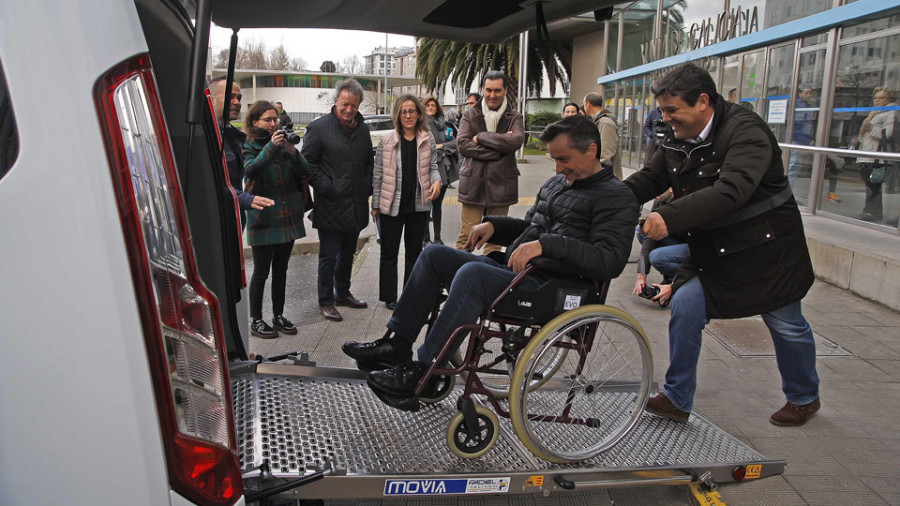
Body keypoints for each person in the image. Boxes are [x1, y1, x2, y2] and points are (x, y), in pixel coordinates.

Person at [341, 115, 639, 406]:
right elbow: (532, 230)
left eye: (564, 159)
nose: (558, 168)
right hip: (523, 273)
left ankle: (426, 371)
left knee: (472, 275)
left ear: (591, 151)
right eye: (555, 160)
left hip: (556, 288)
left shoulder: (617, 197)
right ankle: (397, 345)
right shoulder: (556, 185)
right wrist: (495, 225)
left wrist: (546, 246)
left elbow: (608, 260)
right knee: (434, 254)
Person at [625, 63, 820, 427]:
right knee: (684, 306)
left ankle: (804, 397)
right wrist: (608, 199)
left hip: (768, 251)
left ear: (702, 102)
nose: (666, 119)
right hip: (715, 251)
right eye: (662, 111)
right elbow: (652, 176)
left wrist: (669, 217)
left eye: (672, 111)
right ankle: (676, 398)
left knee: (786, 324)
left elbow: (732, 191)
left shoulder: (747, 132)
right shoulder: (676, 136)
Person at [301, 79, 374, 322]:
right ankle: (326, 301)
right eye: (345, 105)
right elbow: (306, 163)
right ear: (336, 102)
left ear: (359, 104)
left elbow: (368, 162)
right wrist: (327, 186)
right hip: (330, 203)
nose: (349, 110)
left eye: (353, 105)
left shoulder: (363, 129)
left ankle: (342, 293)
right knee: (328, 255)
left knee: (348, 253)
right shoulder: (319, 128)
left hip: (355, 202)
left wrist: (366, 186)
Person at [242, 100, 309, 338]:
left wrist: (293, 153)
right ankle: (256, 320)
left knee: (282, 269)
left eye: (275, 119)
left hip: (287, 215)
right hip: (263, 216)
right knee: (261, 271)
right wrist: (271, 146)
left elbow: (305, 170)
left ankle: (278, 315)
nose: (273, 124)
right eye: (267, 120)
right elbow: (251, 170)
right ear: (254, 122)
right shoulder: (249, 144)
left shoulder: (284, 143)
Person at [373, 95, 441, 310]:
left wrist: (437, 181)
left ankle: (409, 295)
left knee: (414, 253)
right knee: (389, 252)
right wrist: (375, 204)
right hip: (391, 205)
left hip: (418, 205)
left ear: (419, 114)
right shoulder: (387, 140)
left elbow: (433, 167)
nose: (408, 115)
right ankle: (389, 297)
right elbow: (378, 175)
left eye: (412, 111)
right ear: (397, 115)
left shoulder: (427, 138)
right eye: (403, 111)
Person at [454, 72, 525, 254]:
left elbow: (516, 141)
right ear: (483, 90)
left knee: (495, 238)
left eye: (497, 90)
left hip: (502, 184)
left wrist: (481, 137)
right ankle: (455, 275)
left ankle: (487, 278)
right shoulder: (470, 115)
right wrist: (500, 149)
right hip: (472, 184)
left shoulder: (515, 117)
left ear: (505, 91)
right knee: (467, 235)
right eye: (489, 90)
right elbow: (463, 145)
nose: (492, 95)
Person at [207, 77, 273, 226]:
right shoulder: (206, 137)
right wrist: (244, 199)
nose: (237, 102)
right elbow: (211, 186)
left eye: (239, 98)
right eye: (230, 97)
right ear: (211, 99)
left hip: (232, 221)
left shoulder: (233, 136)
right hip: (215, 224)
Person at [632, 188, 687, 307]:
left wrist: (673, 285)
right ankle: (670, 276)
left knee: (657, 257)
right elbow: (650, 236)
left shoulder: (685, 202)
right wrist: (641, 274)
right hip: (678, 240)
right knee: (643, 231)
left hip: (696, 247)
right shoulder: (660, 200)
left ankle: (679, 280)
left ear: (672, 189)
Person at [422, 95, 458, 246]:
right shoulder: (420, 124)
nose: (431, 108)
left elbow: (455, 143)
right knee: (425, 206)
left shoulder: (445, 124)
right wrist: (436, 148)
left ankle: (437, 237)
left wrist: (442, 147)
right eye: (428, 105)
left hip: (443, 168)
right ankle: (425, 238)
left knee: (438, 206)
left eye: (433, 105)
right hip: (425, 169)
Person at [856, 88, 896, 222]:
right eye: (875, 98)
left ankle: (873, 212)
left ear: (888, 100)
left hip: (877, 155)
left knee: (874, 185)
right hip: (867, 153)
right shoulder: (874, 112)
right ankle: (870, 210)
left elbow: (888, 134)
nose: (877, 100)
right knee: (870, 184)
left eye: (881, 97)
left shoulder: (889, 112)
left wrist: (871, 128)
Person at [583, 91, 623, 179]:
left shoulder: (605, 123)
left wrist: (594, 176)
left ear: (587, 104)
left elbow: (606, 155)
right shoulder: (597, 121)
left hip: (606, 179)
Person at [787, 86, 817, 189]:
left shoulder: (804, 105)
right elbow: (798, 126)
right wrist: (804, 143)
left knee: (793, 168)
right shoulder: (799, 105)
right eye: (806, 93)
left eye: (810, 93)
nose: (809, 95)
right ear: (799, 93)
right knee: (792, 168)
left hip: (797, 140)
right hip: (797, 141)